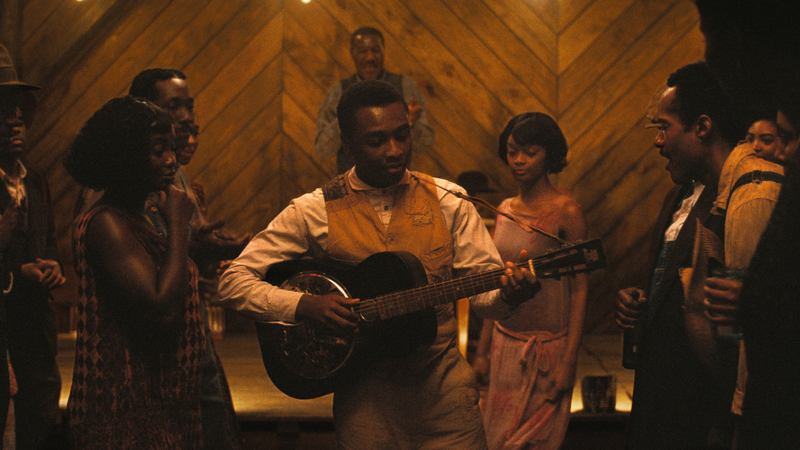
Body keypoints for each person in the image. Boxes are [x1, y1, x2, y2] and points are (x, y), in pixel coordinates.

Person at [218, 79, 537, 449]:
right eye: (376, 141)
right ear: (348, 142)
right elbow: (233, 281)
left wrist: (509, 295)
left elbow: (484, 297)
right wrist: (303, 305)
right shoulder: (313, 209)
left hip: (446, 402)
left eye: (403, 135)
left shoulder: (450, 201)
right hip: (364, 405)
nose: (395, 150)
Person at [615, 62, 747, 450]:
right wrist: (644, 302)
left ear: (702, 127)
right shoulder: (679, 195)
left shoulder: (737, 202)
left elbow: (735, 328)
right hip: (658, 396)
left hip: (701, 408)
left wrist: (724, 421)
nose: (658, 141)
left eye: (664, 127)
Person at [64, 96, 205, 449]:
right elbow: (162, 310)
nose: (171, 160)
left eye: (172, 148)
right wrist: (178, 225)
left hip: (162, 402)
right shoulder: (106, 223)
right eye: (158, 150)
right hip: (125, 412)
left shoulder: (138, 217)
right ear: (125, 154)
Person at [693, 2, 800, 448]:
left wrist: (757, 302)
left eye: (707, 33)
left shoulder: (758, 188)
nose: (707, 55)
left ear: (737, 40)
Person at [128, 68, 245, 449]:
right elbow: (147, 260)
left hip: (191, 324)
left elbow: (182, 246)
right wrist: (189, 240)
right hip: (154, 337)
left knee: (212, 418)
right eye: (173, 106)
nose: (185, 117)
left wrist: (208, 249)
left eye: (189, 106)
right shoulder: (125, 182)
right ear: (143, 110)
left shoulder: (175, 171)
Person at [473, 112, 588, 450]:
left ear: (549, 155)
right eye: (512, 152)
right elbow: (496, 285)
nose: (519, 160)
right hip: (504, 346)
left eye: (530, 152)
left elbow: (580, 290)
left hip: (547, 352)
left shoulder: (566, 212)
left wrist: (569, 362)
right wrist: (482, 353)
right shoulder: (504, 209)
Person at [0, 44, 65, 450]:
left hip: (38, 341)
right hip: (4, 340)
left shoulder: (36, 181)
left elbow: (50, 243)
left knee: (40, 427)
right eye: (2, 111)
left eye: (18, 111)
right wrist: (13, 276)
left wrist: (53, 266)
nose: (14, 120)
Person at [315, 26, 433, 174]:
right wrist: (344, 120)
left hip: (397, 181)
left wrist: (410, 124)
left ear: (384, 51)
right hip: (351, 184)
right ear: (352, 53)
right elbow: (323, 150)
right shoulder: (337, 92)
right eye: (362, 51)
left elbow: (425, 144)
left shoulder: (405, 87)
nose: (370, 57)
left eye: (375, 50)